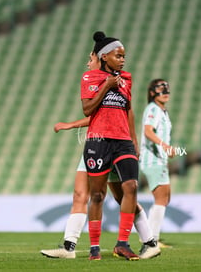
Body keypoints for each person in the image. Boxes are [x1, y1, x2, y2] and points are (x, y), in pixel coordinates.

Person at [40, 52, 160, 259]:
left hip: (113, 142)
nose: (87, 62)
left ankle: (148, 241)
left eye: (90, 58)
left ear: (100, 59)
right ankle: (69, 246)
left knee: (124, 194)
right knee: (82, 195)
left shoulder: (116, 80)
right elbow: (97, 114)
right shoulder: (92, 82)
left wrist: (133, 140)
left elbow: (115, 113)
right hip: (97, 143)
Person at [81, 31, 139, 261]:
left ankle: (122, 244)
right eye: (118, 55)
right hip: (98, 141)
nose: (123, 59)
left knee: (132, 187)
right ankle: (94, 247)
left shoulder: (127, 78)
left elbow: (128, 109)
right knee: (97, 195)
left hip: (123, 141)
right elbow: (87, 110)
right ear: (104, 57)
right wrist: (106, 86)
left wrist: (134, 140)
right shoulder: (90, 78)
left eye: (124, 56)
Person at [139, 79, 174, 248]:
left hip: (160, 159)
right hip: (151, 159)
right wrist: (165, 146)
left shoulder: (163, 111)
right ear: (152, 92)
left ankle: (153, 236)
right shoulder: (153, 108)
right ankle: (151, 238)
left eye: (167, 88)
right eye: (161, 88)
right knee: (161, 198)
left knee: (165, 197)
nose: (165, 91)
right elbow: (147, 131)